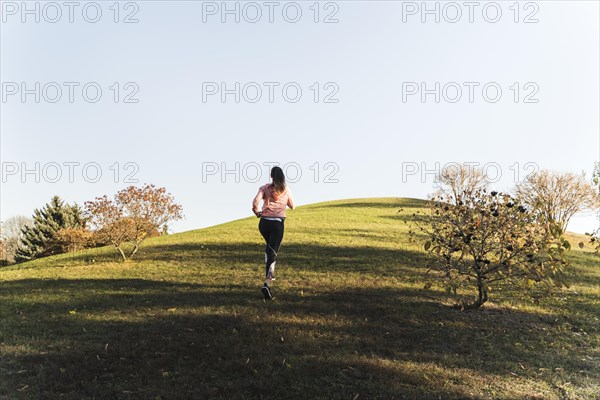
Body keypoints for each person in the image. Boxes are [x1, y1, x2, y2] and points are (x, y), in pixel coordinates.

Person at [252, 166, 295, 300]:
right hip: (277, 224)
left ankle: (270, 270)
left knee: (270, 249)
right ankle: (267, 283)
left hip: (264, 223)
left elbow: (255, 202)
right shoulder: (286, 190)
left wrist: (256, 211)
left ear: (271, 176)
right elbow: (293, 205)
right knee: (273, 253)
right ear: (282, 177)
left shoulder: (264, 188)